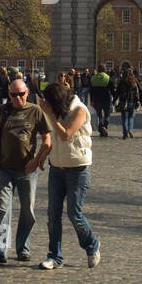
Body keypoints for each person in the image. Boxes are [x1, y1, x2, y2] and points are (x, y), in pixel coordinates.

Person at [0, 75, 51, 264]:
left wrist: (37, 160)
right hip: (5, 169)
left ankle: (23, 247)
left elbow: (47, 139)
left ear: (27, 93)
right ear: (9, 94)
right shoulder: (2, 112)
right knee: (3, 208)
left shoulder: (35, 111)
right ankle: (0, 249)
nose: (18, 98)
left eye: (21, 94)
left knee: (28, 211)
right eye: (13, 95)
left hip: (27, 170)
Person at [37, 81, 100, 270]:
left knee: (74, 213)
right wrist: (42, 155)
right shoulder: (54, 112)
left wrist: (49, 114)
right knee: (53, 214)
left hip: (77, 169)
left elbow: (66, 135)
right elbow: (52, 138)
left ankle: (92, 244)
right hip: (57, 168)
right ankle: (55, 256)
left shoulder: (80, 110)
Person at [116, 67, 142, 139]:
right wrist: (140, 100)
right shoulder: (134, 81)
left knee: (124, 119)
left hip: (123, 102)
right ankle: (130, 130)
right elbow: (140, 90)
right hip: (132, 101)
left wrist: (114, 101)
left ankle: (125, 134)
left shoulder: (122, 81)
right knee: (131, 117)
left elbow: (117, 92)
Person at [90, 64, 113, 136]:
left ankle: (101, 128)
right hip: (106, 99)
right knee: (107, 114)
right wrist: (114, 98)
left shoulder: (93, 78)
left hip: (96, 99)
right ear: (104, 69)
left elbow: (91, 90)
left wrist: (91, 100)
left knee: (99, 115)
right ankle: (105, 126)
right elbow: (112, 89)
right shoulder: (108, 78)